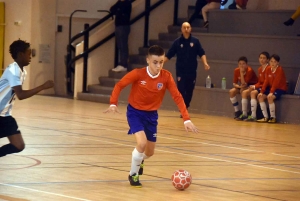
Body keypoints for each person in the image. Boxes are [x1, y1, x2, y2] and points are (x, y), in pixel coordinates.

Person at [104, 45, 198, 187]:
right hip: (135, 112)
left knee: (149, 152)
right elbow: (120, 85)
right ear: (148, 60)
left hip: (152, 115)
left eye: (161, 62)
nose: (158, 66)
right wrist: (113, 103)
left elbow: (177, 97)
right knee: (141, 143)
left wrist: (186, 119)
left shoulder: (166, 77)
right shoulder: (138, 74)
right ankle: (133, 175)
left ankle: (139, 160)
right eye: (155, 62)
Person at [0, 39, 54, 158]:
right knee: (18, 144)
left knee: (18, 145)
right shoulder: (13, 70)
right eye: (28, 53)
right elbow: (21, 95)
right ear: (20, 54)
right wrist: (43, 86)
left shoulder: (22, 71)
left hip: (4, 115)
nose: (31, 57)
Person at [164, 22, 210, 117]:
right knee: (181, 89)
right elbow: (169, 55)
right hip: (181, 71)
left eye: (188, 27)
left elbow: (201, 53)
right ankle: (183, 109)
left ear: (190, 29)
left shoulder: (195, 41)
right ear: (181, 29)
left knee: (189, 90)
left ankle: (186, 106)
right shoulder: (177, 42)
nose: (186, 29)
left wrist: (205, 63)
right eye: (184, 27)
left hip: (192, 70)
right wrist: (160, 64)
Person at [236, 52, 270, 121]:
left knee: (253, 93)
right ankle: (244, 114)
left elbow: (267, 82)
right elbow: (260, 81)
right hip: (261, 86)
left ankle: (253, 116)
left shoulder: (268, 69)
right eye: (260, 58)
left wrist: (255, 87)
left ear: (267, 60)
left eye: (264, 58)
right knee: (245, 92)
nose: (262, 60)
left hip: (267, 87)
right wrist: (253, 86)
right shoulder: (260, 69)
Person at [257, 54, 287, 123]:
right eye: (271, 61)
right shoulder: (268, 69)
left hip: (280, 88)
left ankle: (273, 117)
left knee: (270, 97)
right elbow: (266, 81)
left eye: (274, 62)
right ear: (269, 62)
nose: (273, 63)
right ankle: (265, 117)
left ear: (278, 63)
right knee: (260, 97)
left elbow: (276, 82)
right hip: (272, 88)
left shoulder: (280, 70)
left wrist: (271, 92)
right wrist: (261, 91)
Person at [110, 0, 132, 72]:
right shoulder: (119, 3)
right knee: (120, 45)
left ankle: (124, 64)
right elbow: (112, 9)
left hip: (123, 26)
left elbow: (121, 13)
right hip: (118, 25)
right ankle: (121, 63)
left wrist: (118, 11)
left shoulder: (127, 3)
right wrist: (118, 10)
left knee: (123, 45)